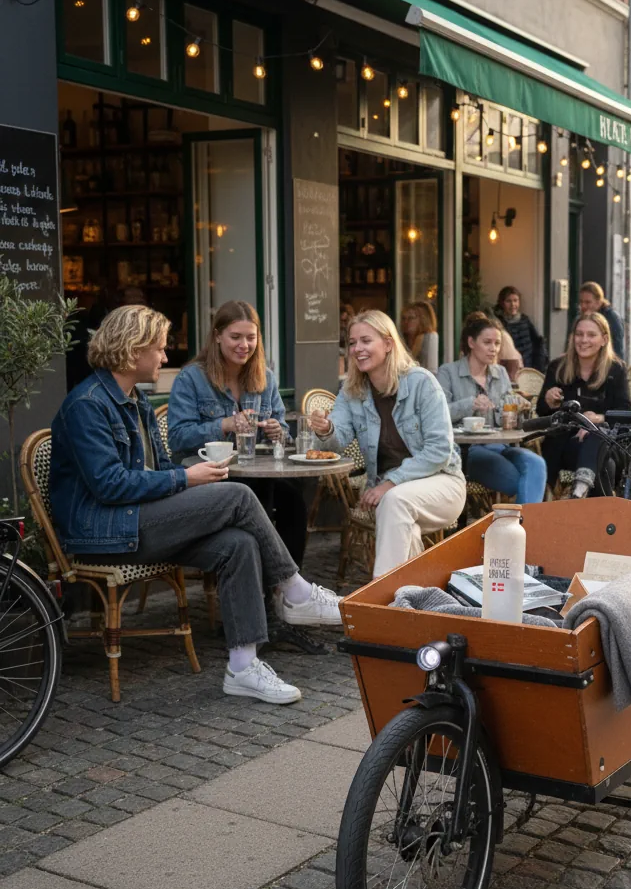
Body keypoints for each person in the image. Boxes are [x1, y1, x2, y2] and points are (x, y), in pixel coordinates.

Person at [49, 305, 343, 706]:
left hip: (138, 519)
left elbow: (160, 467)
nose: (165, 356)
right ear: (132, 351)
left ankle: (243, 667)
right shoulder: (87, 404)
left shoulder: (135, 400)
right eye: (159, 348)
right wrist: (187, 479)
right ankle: (294, 591)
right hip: (104, 530)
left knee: (238, 543)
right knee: (239, 494)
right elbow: (109, 485)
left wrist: (189, 479)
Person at [308, 310, 466, 577]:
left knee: (394, 502)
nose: (357, 349)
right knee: (405, 529)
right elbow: (336, 441)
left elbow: (439, 451)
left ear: (388, 343)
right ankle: (411, 596)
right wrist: (326, 430)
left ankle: (379, 596)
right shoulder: (351, 391)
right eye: (352, 342)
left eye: (366, 340)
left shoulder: (421, 383)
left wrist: (390, 483)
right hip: (391, 495)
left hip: (442, 483)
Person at [166, 300, 307, 566]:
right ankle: (269, 579)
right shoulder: (192, 378)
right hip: (208, 475)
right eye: (236, 337)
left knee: (293, 497)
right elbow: (177, 438)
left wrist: (277, 431)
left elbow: (283, 430)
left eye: (251, 337)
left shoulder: (265, 377)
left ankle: (288, 578)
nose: (244, 345)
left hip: (255, 471)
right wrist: (225, 425)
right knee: (256, 493)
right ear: (217, 336)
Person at [437, 315, 547, 505]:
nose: (493, 349)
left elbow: (507, 414)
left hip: (501, 445)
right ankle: (522, 522)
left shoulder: (500, 373)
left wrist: (518, 407)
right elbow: (439, 415)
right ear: (471, 342)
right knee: (522, 482)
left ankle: (522, 523)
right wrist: (470, 404)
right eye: (487, 342)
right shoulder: (448, 372)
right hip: (466, 451)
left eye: (497, 343)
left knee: (537, 463)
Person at [536, 312, 631, 498]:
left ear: (604, 339)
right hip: (566, 445)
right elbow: (542, 411)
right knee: (605, 464)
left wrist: (597, 420)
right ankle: (596, 506)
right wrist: (548, 401)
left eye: (591, 335)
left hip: (607, 443)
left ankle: (580, 491)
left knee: (599, 440)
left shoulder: (616, 370)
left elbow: (626, 412)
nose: (584, 340)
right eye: (579, 334)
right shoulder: (558, 367)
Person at [495, 286, 548, 371]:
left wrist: (539, 366)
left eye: (515, 300)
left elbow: (537, 342)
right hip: (510, 369)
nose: (513, 304)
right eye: (508, 301)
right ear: (502, 303)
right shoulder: (499, 323)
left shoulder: (525, 320)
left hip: (529, 367)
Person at [579, 281, 625, 360]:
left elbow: (617, 350)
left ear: (599, 302)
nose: (583, 306)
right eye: (581, 302)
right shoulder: (582, 317)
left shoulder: (611, 318)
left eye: (588, 302)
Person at [400, 300, 439, 372]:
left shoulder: (430, 337)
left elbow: (432, 371)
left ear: (422, 320)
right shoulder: (401, 339)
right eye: (403, 318)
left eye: (411, 318)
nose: (406, 322)